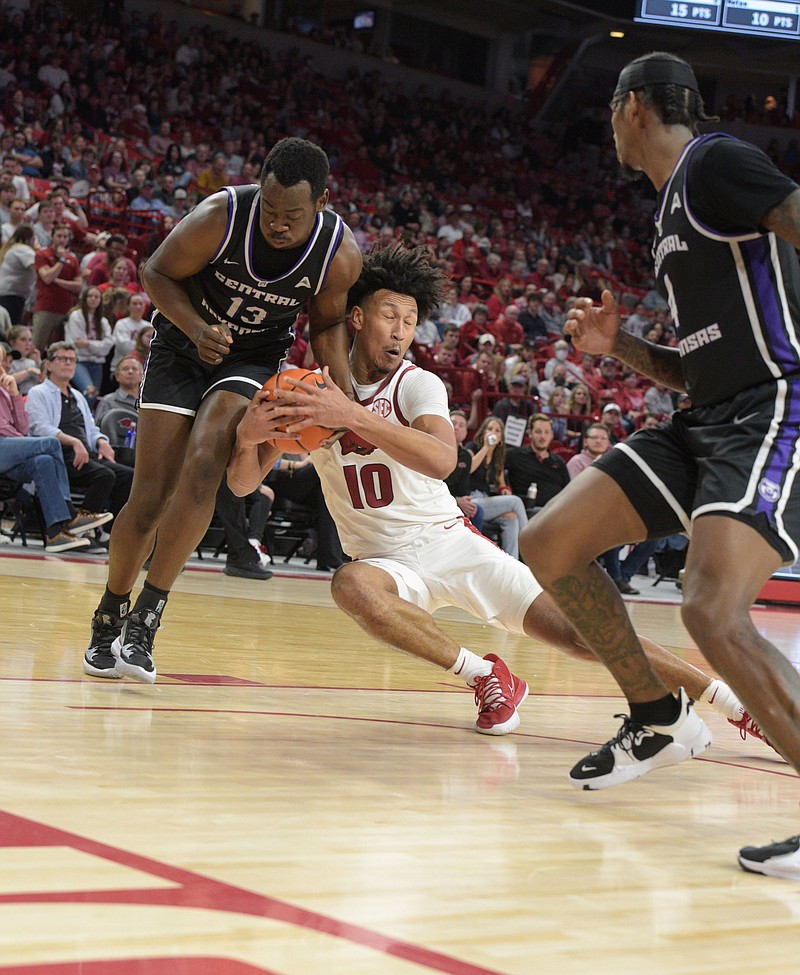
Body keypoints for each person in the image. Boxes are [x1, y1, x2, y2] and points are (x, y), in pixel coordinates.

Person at [225, 244, 751, 739]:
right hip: (384, 561)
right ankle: (485, 675)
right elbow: (242, 482)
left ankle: (735, 705)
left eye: (409, 322)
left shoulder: (415, 383)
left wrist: (354, 416)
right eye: (389, 317)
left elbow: (441, 458)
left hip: (449, 543)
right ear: (358, 318)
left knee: (582, 634)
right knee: (350, 585)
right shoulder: (310, 391)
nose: (400, 332)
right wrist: (249, 439)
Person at [518, 52, 800, 877]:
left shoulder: (714, 160)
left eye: (611, 110)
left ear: (632, 105)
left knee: (711, 610)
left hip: (771, 407)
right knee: (549, 544)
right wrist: (619, 347)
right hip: (706, 413)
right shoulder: (671, 211)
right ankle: (656, 711)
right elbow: (692, 366)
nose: (608, 126)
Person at [82, 137, 362, 685]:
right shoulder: (220, 215)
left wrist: (346, 400)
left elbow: (327, 325)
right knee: (150, 496)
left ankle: (146, 618)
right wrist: (195, 327)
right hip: (182, 348)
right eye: (271, 210)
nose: (278, 224)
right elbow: (155, 273)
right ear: (259, 190)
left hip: (253, 359)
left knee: (208, 458)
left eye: (292, 216)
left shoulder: (339, 252)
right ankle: (109, 613)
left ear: (322, 203)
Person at [26, 342, 133, 523]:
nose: (68, 363)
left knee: (128, 476)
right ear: (49, 365)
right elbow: (39, 427)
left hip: (86, 454)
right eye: (62, 359)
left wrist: (101, 441)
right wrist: (74, 442)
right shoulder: (38, 392)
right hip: (60, 455)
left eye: (72, 360)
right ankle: (80, 524)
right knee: (105, 476)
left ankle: (109, 532)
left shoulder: (78, 396)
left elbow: (91, 429)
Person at [505, 414, 570, 514]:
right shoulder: (514, 455)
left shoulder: (559, 462)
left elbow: (568, 491)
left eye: (546, 432)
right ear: (530, 433)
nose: (543, 436)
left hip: (557, 511)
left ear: (552, 435)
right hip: (528, 510)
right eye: (538, 432)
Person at [0, 224, 36, 323]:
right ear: (31, 238)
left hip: (10, 294)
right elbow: (38, 267)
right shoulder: (22, 250)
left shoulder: (13, 248)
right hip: (11, 296)